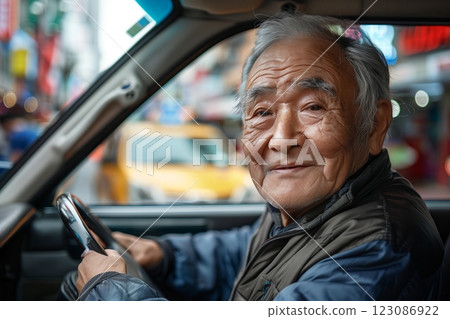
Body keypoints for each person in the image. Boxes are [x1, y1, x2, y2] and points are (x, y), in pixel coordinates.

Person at [74, 12, 443, 301]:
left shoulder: (379, 251)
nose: (280, 139)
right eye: (263, 112)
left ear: (374, 124)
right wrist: (163, 254)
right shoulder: (308, 209)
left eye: (313, 107)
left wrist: (111, 293)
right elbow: (246, 256)